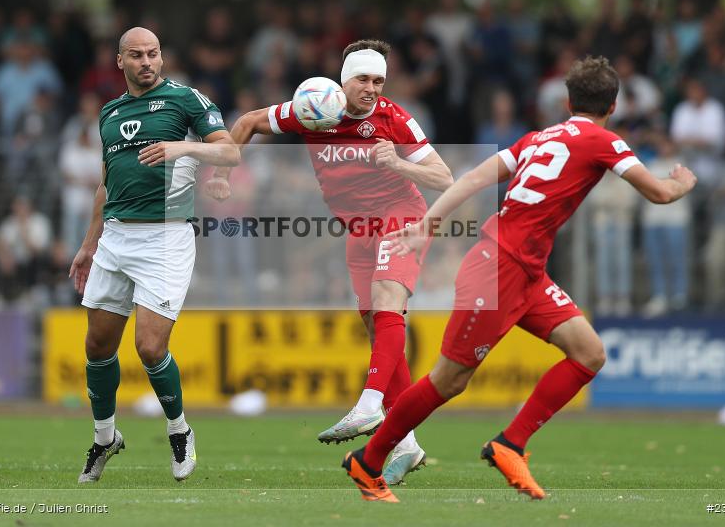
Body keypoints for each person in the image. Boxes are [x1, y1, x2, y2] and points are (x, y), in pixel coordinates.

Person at [341, 56, 697, 503]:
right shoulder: (605, 141)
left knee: (588, 353)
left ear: (568, 101)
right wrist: (683, 181)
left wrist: (429, 222)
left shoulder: (535, 138)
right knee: (449, 381)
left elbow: (473, 177)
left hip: (523, 270)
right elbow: (660, 192)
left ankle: (511, 444)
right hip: (500, 268)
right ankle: (368, 461)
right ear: (614, 105)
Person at [208, 39, 454, 485]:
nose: (372, 89)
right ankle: (409, 444)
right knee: (377, 325)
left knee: (386, 302)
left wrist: (399, 164)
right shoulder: (313, 107)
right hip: (358, 229)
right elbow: (246, 123)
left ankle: (368, 406)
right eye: (363, 79)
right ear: (344, 80)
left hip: (402, 217)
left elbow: (443, 176)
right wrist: (224, 174)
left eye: (379, 80)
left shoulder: (394, 119)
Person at [69, 27, 239, 484]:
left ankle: (179, 430)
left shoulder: (186, 100)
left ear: (162, 58)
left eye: (154, 54)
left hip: (165, 237)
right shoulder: (109, 113)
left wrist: (182, 146)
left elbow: (231, 148)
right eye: (137, 55)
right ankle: (105, 438)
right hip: (115, 239)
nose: (147, 61)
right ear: (119, 61)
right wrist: (88, 245)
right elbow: (106, 184)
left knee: (149, 346)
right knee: (97, 345)